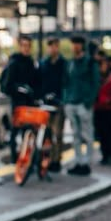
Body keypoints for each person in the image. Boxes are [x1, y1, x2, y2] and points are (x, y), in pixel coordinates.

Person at [63, 35, 100, 176]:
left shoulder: (90, 62)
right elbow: (66, 82)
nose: (75, 47)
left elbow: (96, 83)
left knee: (87, 135)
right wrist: (66, 99)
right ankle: (78, 161)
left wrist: (88, 101)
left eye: (77, 44)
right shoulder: (70, 63)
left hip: (83, 104)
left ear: (82, 46)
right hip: (71, 103)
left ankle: (86, 163)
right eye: (73, 44)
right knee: (75, 135)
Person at [0, 35, 40, 162]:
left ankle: (28, 159)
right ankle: (14, 158)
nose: (26, 48)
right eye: (24, 45)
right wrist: (19, 88)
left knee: (29, 132)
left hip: (30, 103)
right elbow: (7, 85)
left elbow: (35, 83)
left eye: (28, 46)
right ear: (19, 46)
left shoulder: (31, 62)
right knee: (15, 131)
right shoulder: (14, 63)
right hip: (17, 103)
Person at [40, 37, 67, 172]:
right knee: (47, 134)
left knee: (57, 134)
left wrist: (63, 98)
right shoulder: (43, 64)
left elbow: (66, 82)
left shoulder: (63, 63)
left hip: (59, 103)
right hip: (46, 103)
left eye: (55, 46)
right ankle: (48, 160)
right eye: (51, 46)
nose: (53, 49)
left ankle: (56, 160)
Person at [93, 56, 111, 164]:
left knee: (110, 133)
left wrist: (109, 100)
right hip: (98, 109)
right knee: (101, 134)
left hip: (109, 110)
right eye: (101, 66)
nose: (103, 68)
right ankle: (105, 155)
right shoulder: (96, 79)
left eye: (105, 65)